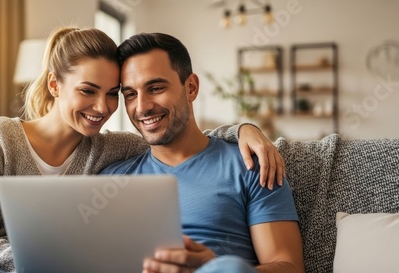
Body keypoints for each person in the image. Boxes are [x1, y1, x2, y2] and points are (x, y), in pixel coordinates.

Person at [0, 27, 284, 273]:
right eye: (89, 91)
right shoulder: (1, 136)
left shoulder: (109, 151)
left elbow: (176, 136)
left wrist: (245, 128)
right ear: (54, 85)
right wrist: (48, 263)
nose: (105, 108)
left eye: (113, 94)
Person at [99, 32, 305, 273]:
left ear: (191, 88)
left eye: (155, 88)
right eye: (131, 94)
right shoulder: (110, 182)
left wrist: (213, 268)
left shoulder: (250, 164)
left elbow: (289, 267)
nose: (142, 107)